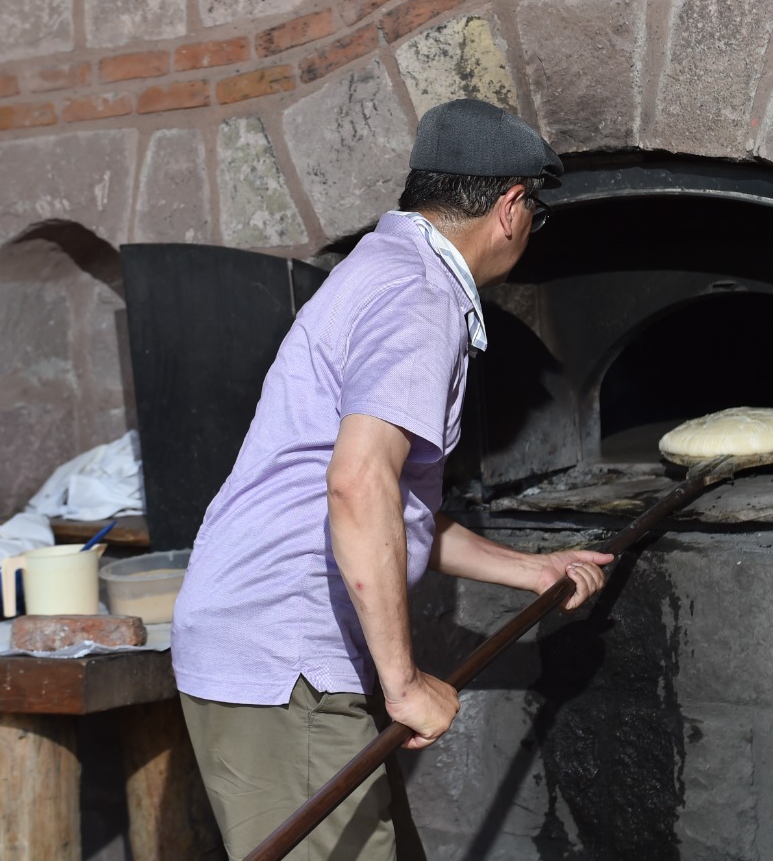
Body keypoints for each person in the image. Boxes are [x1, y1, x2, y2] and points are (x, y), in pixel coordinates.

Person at [172, 99, 614, 860]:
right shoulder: (418, 297)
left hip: (280, 661)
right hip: (286, 666)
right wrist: (404, 682)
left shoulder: (387, 268)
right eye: (534, 208)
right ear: (511, 206)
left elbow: (397, 507)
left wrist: (532, 570)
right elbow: (358, 486)